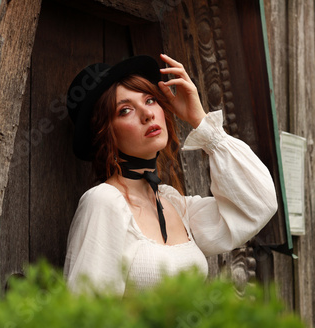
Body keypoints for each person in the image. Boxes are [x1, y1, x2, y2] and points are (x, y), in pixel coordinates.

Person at [63, 54, 278, 295]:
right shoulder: (104, 202)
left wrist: (201, 121)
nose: (147, 114)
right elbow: (86, 314)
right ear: (104, 134)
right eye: (125, 110)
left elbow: (259, 205)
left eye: (150, 100)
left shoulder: (173, 203)